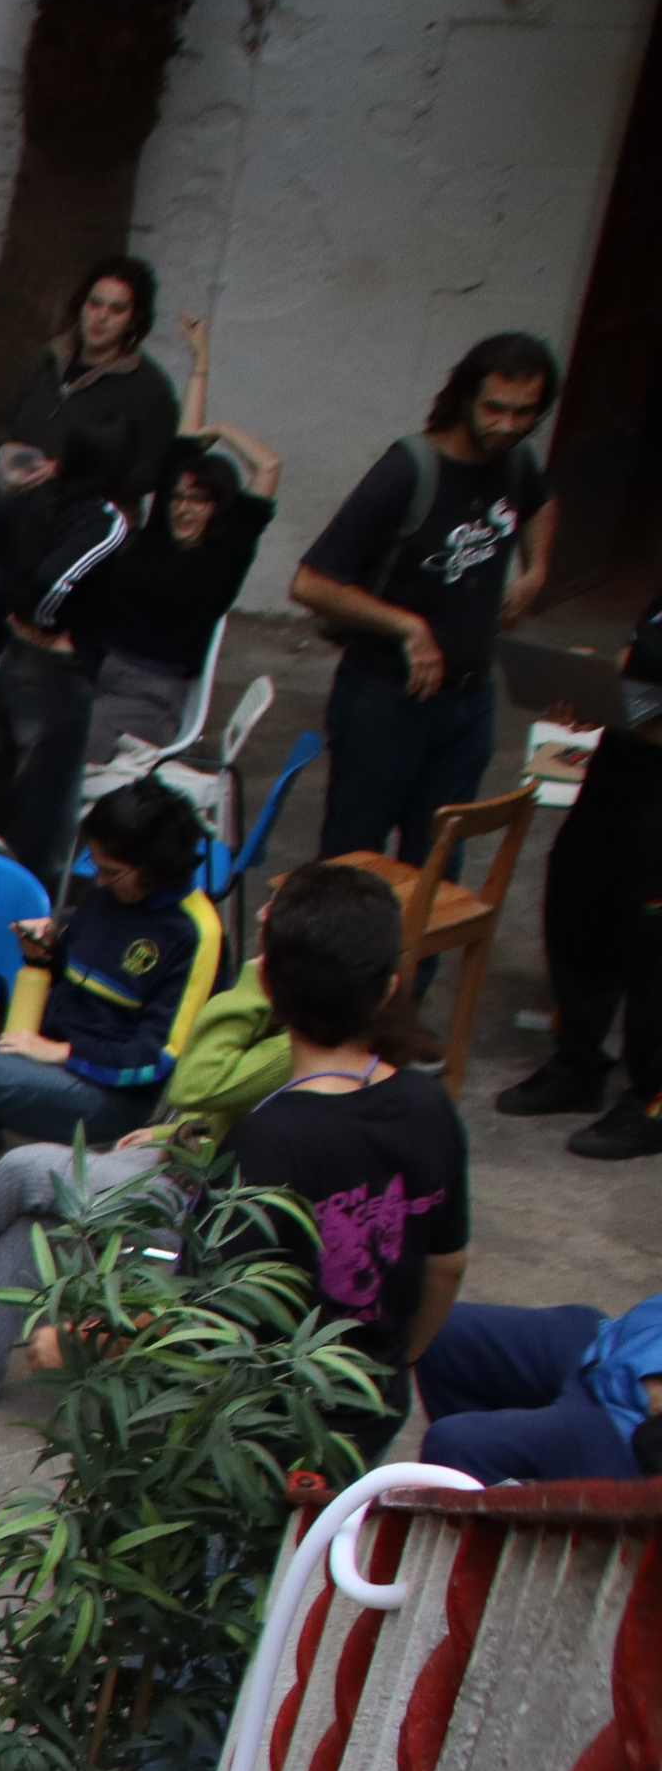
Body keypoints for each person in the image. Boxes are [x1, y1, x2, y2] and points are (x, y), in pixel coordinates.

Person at [0, 856, 313, 1414]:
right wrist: (172, 1128)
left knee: (24, 1168)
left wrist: (256, 978)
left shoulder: (287, 1032)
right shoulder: (99, 916)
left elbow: (198, 1079)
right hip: (177, 1149)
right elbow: (211, 1106)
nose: (264, 911)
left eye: (280, 910)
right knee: (35, 1223)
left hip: (202, 1193)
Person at [0, 779, 217, 1187]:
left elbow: (156, 1056)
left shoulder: (195, 932)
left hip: (106, 1095)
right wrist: (46, 956)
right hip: (40, 1065)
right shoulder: (110, 894)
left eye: (111, 872)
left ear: (155, 869)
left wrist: (62, 1051)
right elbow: (76, 977)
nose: (99, 882)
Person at [293, 333, 559, 862]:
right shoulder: (408, 471)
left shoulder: (517, 460)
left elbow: (542, 502)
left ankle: (421, 951)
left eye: (523, 413)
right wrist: (407, 627)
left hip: (469, 703)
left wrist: (535, 573)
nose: (507, 425)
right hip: (385, 699)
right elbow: (311, 584)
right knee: (354, 861)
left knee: (437, 861)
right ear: (465, 397)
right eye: (494, 409)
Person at [218, 861, 467, 1423]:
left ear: (265, 981)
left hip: (269, 1424)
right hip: (374, 1401)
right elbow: (447, 1264)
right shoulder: (430, 1105)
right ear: (389, 987)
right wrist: (398, 1362)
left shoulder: (263, 1137)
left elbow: (211, 1318)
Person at [0, 398, 150, 890]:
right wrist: (36, 615)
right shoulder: (107, 521)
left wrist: (9, 601)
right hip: (56, 676)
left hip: (9, 663)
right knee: (42, 815)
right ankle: (25, 922)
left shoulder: (43, 496)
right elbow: (53, 582)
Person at [497, 573, 662, 1156]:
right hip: (620, 769)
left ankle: (653, 1100)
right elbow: (641, 650)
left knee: (652, 948)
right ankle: (579, 1062)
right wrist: (596, 692)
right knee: (577, 893)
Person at [68, 326, 279, 766]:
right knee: (30, 717)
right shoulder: (162, 531)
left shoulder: (227, 553)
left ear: (219, 508)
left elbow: (269, 465)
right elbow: (184, 442)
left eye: (199, 500)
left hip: (150, 691)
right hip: (93, 665)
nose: (184, 507)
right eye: (180, 497)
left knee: (72, 743)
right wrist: (200, 359)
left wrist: (221, 430)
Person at [0, 255, 182, 512]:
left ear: (134, 319)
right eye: (95, 304)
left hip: (83, 527)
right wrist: (9, 452)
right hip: (14, 509)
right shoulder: (49, 359)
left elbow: (150, 472)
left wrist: (68, 472)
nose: (101, 317)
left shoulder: (149, 388)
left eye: (117, 309)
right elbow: (6, 421)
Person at [415, 1294, 662, 1486]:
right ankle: (509, 1486)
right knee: (437, 1329)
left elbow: (655, 1399)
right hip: (616, 1343)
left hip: (627, 1425)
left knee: (457, 1446)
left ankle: (523, 1525)